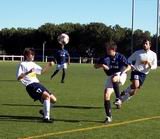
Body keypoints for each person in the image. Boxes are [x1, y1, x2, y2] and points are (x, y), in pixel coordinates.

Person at [94, 41, 131, 124]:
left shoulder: (120, 57)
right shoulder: (105, 57)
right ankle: (108, 117)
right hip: (111, 76)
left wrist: (121, 73)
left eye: (108, 49)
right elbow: (95, 66)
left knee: (114, 78)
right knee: (106, 94)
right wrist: (101, 65)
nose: (106, 50)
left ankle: (119, 98)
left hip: (121, 75)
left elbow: (128, 66)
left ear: (113, 50)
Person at [16, 48, 57, 123]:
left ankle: (44, 111)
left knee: (53, 100)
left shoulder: (33, 64)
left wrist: (49, 65)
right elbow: (18, 78)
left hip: (37, 84)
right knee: (47, 96)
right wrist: (27, 72)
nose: (33, 55)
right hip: (30, 85)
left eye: (33, 54)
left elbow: (41, 72)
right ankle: (46, 118)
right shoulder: (22, 64)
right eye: (31, 54)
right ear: (26, 56)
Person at [120, 38, 157, 103]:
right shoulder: (138, 53)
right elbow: (129, 60)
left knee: (134, 91)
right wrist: (131, 65)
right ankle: (121, 98)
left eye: (146, 44)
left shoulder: (153, 54)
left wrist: (151, 66)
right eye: (144, 44)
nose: (144, 45)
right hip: (136, 71)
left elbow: (155, 66)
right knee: (136, 85)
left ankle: (122, 98)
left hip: (144, 74)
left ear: (150, 45)